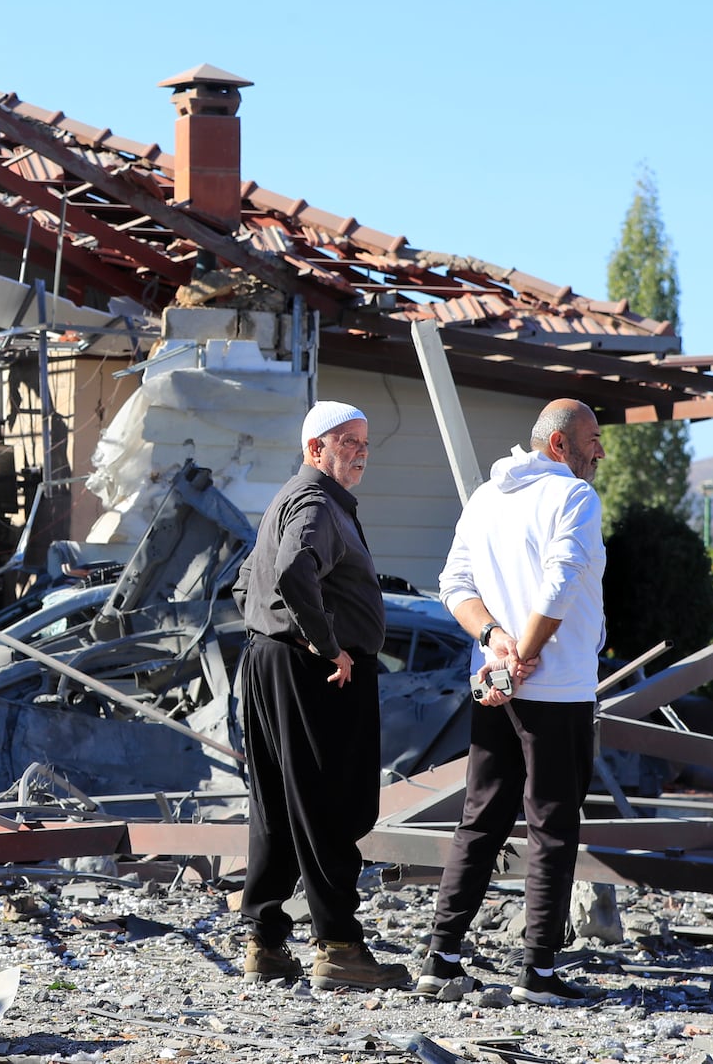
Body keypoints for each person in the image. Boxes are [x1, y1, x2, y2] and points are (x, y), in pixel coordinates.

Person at [415, 398, 607, 1005]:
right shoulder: (574, 498)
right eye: (593, 438)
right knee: (553, 825)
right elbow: (561, 580)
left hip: (494, 684)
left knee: (481, 818)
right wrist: (522, 650)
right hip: (557, 690)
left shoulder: (485, 497)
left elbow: (454, 584)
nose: (599, 449)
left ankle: (441, 958)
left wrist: (496, 643)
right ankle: (539, 973)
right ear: (559, 445)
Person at [229, 400, 410, 990]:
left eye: (364, 442)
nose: (360, 452)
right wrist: (327, 645)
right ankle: (339, 947)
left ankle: (266, 940)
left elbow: (243, 582)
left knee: (280, 805)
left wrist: (271, 637)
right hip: (315, 672)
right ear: (315, 449)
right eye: (347, 441)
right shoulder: (315, 503)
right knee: (327, 803)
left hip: (275, 663)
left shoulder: (291, 499)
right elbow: (288, 572)